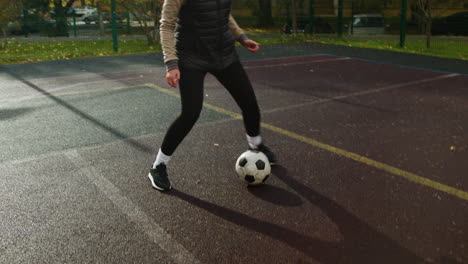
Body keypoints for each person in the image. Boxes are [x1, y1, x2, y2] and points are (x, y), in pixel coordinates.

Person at [148, 0, 277, 191]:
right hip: (191, 57)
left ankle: (256, 144)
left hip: (224, 54)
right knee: (190, 113)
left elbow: (223, 14)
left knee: (249, 102)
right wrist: (171, 64)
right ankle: (159, 166)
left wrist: (240, 36)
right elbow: (166, 25)